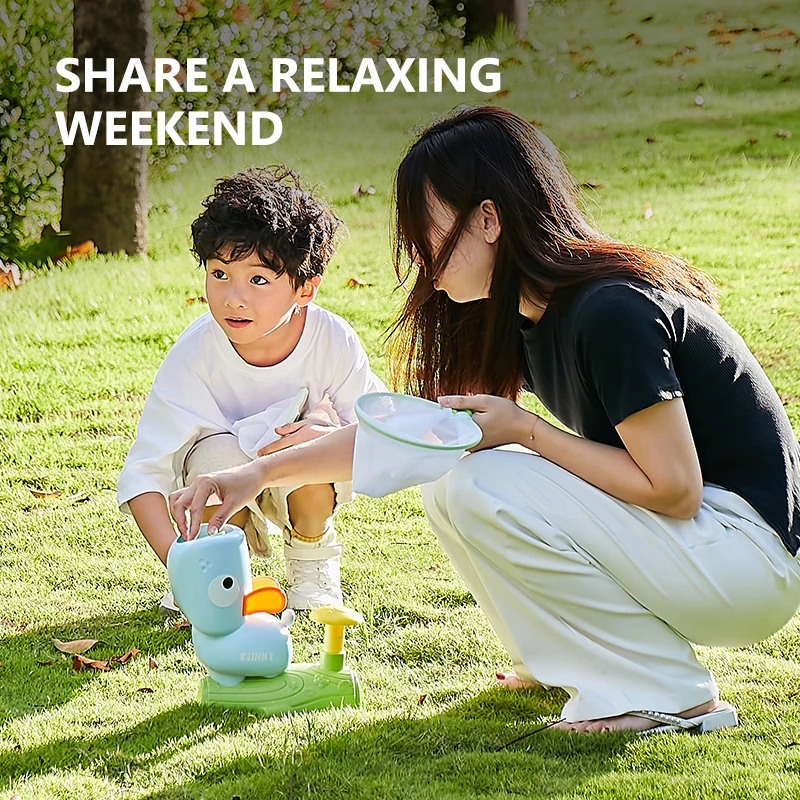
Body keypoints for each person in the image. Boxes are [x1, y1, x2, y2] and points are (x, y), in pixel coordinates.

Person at [168, 107, 800, 734]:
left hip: (749, 561)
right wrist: (256, 474)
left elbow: (676, 490)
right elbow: (410, 440)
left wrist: (528, 433)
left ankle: (664, 695)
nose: (419, 256)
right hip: (700, 550)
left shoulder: (611, 312)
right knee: (452, 480)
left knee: (483, 480)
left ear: (489, 219)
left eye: (427, 231)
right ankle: (568, 661)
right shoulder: (516, 316)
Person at [117, 166, 385, 610]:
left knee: (309, 447)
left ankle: (311, 559)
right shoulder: (195, 352)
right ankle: (221, 567)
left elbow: (381, 432)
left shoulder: (333, 341)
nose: (232, 298)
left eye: (258, 279)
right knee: (214, 459)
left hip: (298, 488)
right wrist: (180, 564)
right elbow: (145, 472)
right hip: (221, 487)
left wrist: (326, 431)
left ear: (305, 289)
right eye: (219, 273)